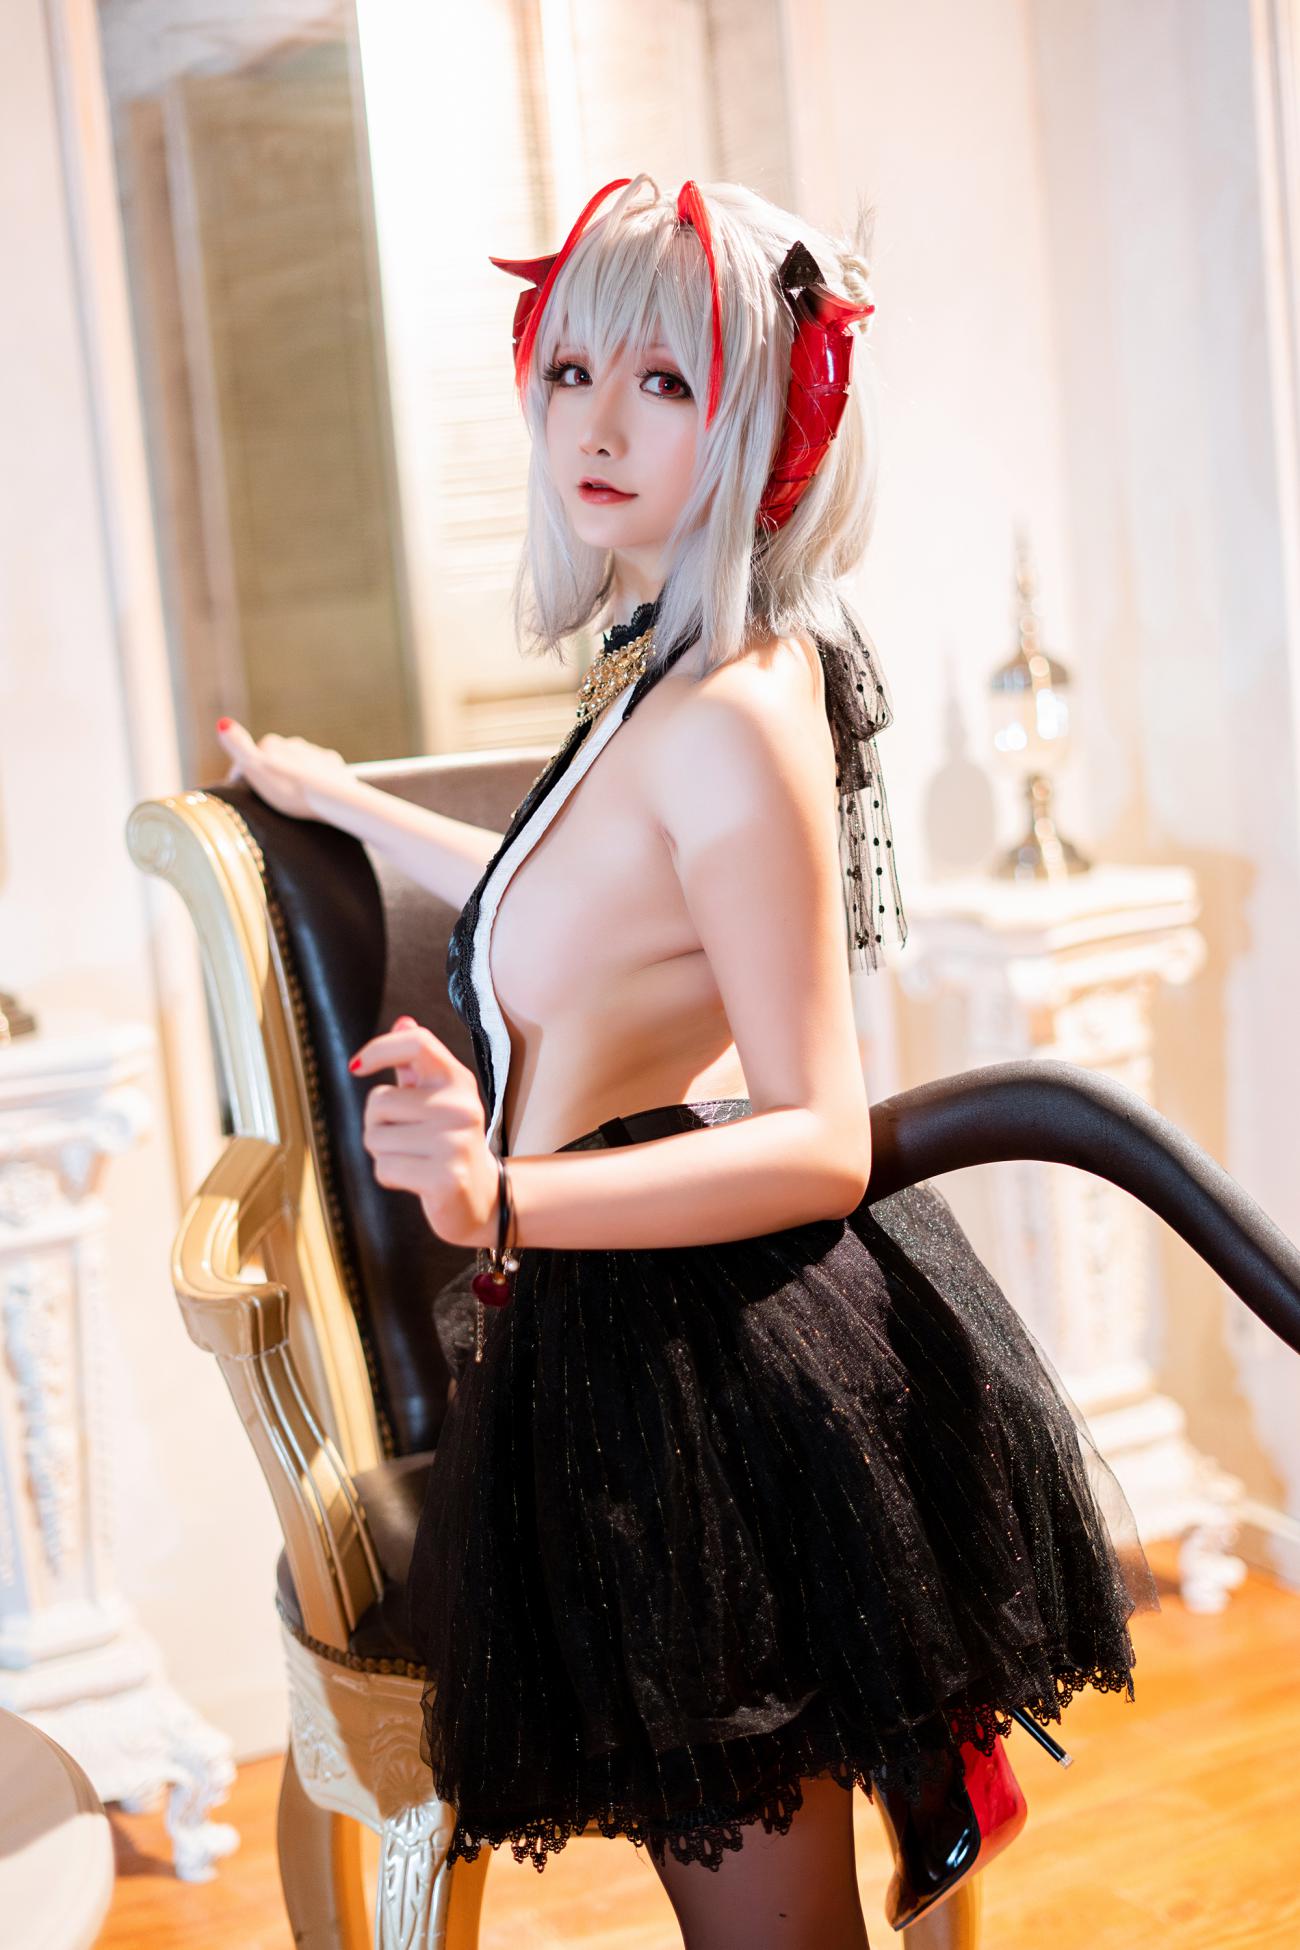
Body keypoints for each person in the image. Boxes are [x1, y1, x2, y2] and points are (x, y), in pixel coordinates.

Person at [216, 175, 1158, 1950]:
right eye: (573, 369)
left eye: (665, 381)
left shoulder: (728, 716)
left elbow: (818, 1135)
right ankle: (931, 1757)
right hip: (605, 1330)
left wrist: (498, 1192)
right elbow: (558, 902)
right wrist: (343, 803)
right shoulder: (650, 671)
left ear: (759, 423)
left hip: (680, 1382)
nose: (596, 422)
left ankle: (931, 1749)